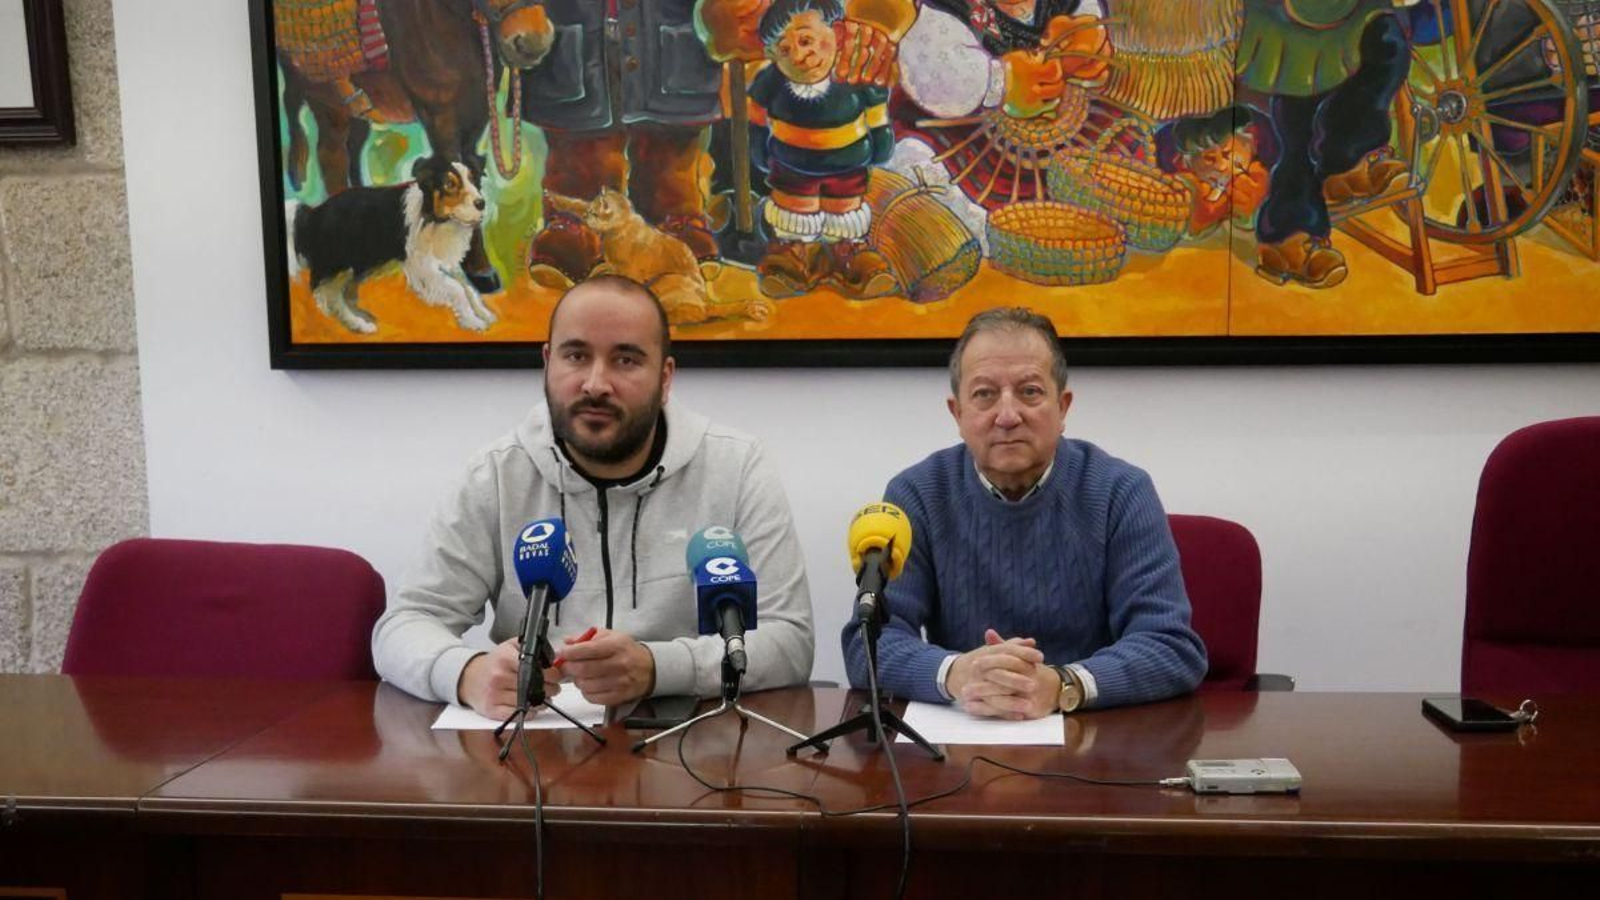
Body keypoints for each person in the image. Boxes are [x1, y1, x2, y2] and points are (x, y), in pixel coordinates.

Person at [373, 276, 815, 721]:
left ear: (665, 379)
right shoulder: (496, 475)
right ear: (548, 363)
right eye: (576, 356)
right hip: (535, 753)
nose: (596, 383)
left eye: (625, 359)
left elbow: (790, 640)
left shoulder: (736, 467)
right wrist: (467, 672)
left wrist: (658, 667)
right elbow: (403, 627)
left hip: (691, 752)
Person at [842, 307, 1206, 718]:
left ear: (1063, 407)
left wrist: (1062, 684)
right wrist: (957, 673)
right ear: (957, 414)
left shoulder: (1120, 491)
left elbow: (1171, 646)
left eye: (1030, 392)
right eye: (984, 394)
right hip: (963, 740)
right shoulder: (919, 494)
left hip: (1093, 741)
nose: (1008, 415)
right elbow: (868, 642)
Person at [749, 0, 896, 299]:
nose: (800, 56)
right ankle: (793, 257)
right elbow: (755, 113)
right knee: (794, 215)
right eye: (785, 50)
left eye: (806, 40)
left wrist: (882, 140)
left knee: (844, 214)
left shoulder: (852, 74)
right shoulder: (772, 81)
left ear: (837, 34)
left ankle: (849, 256)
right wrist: (757, 146)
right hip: (790, 170)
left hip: (848, 166)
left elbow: (877, 108)